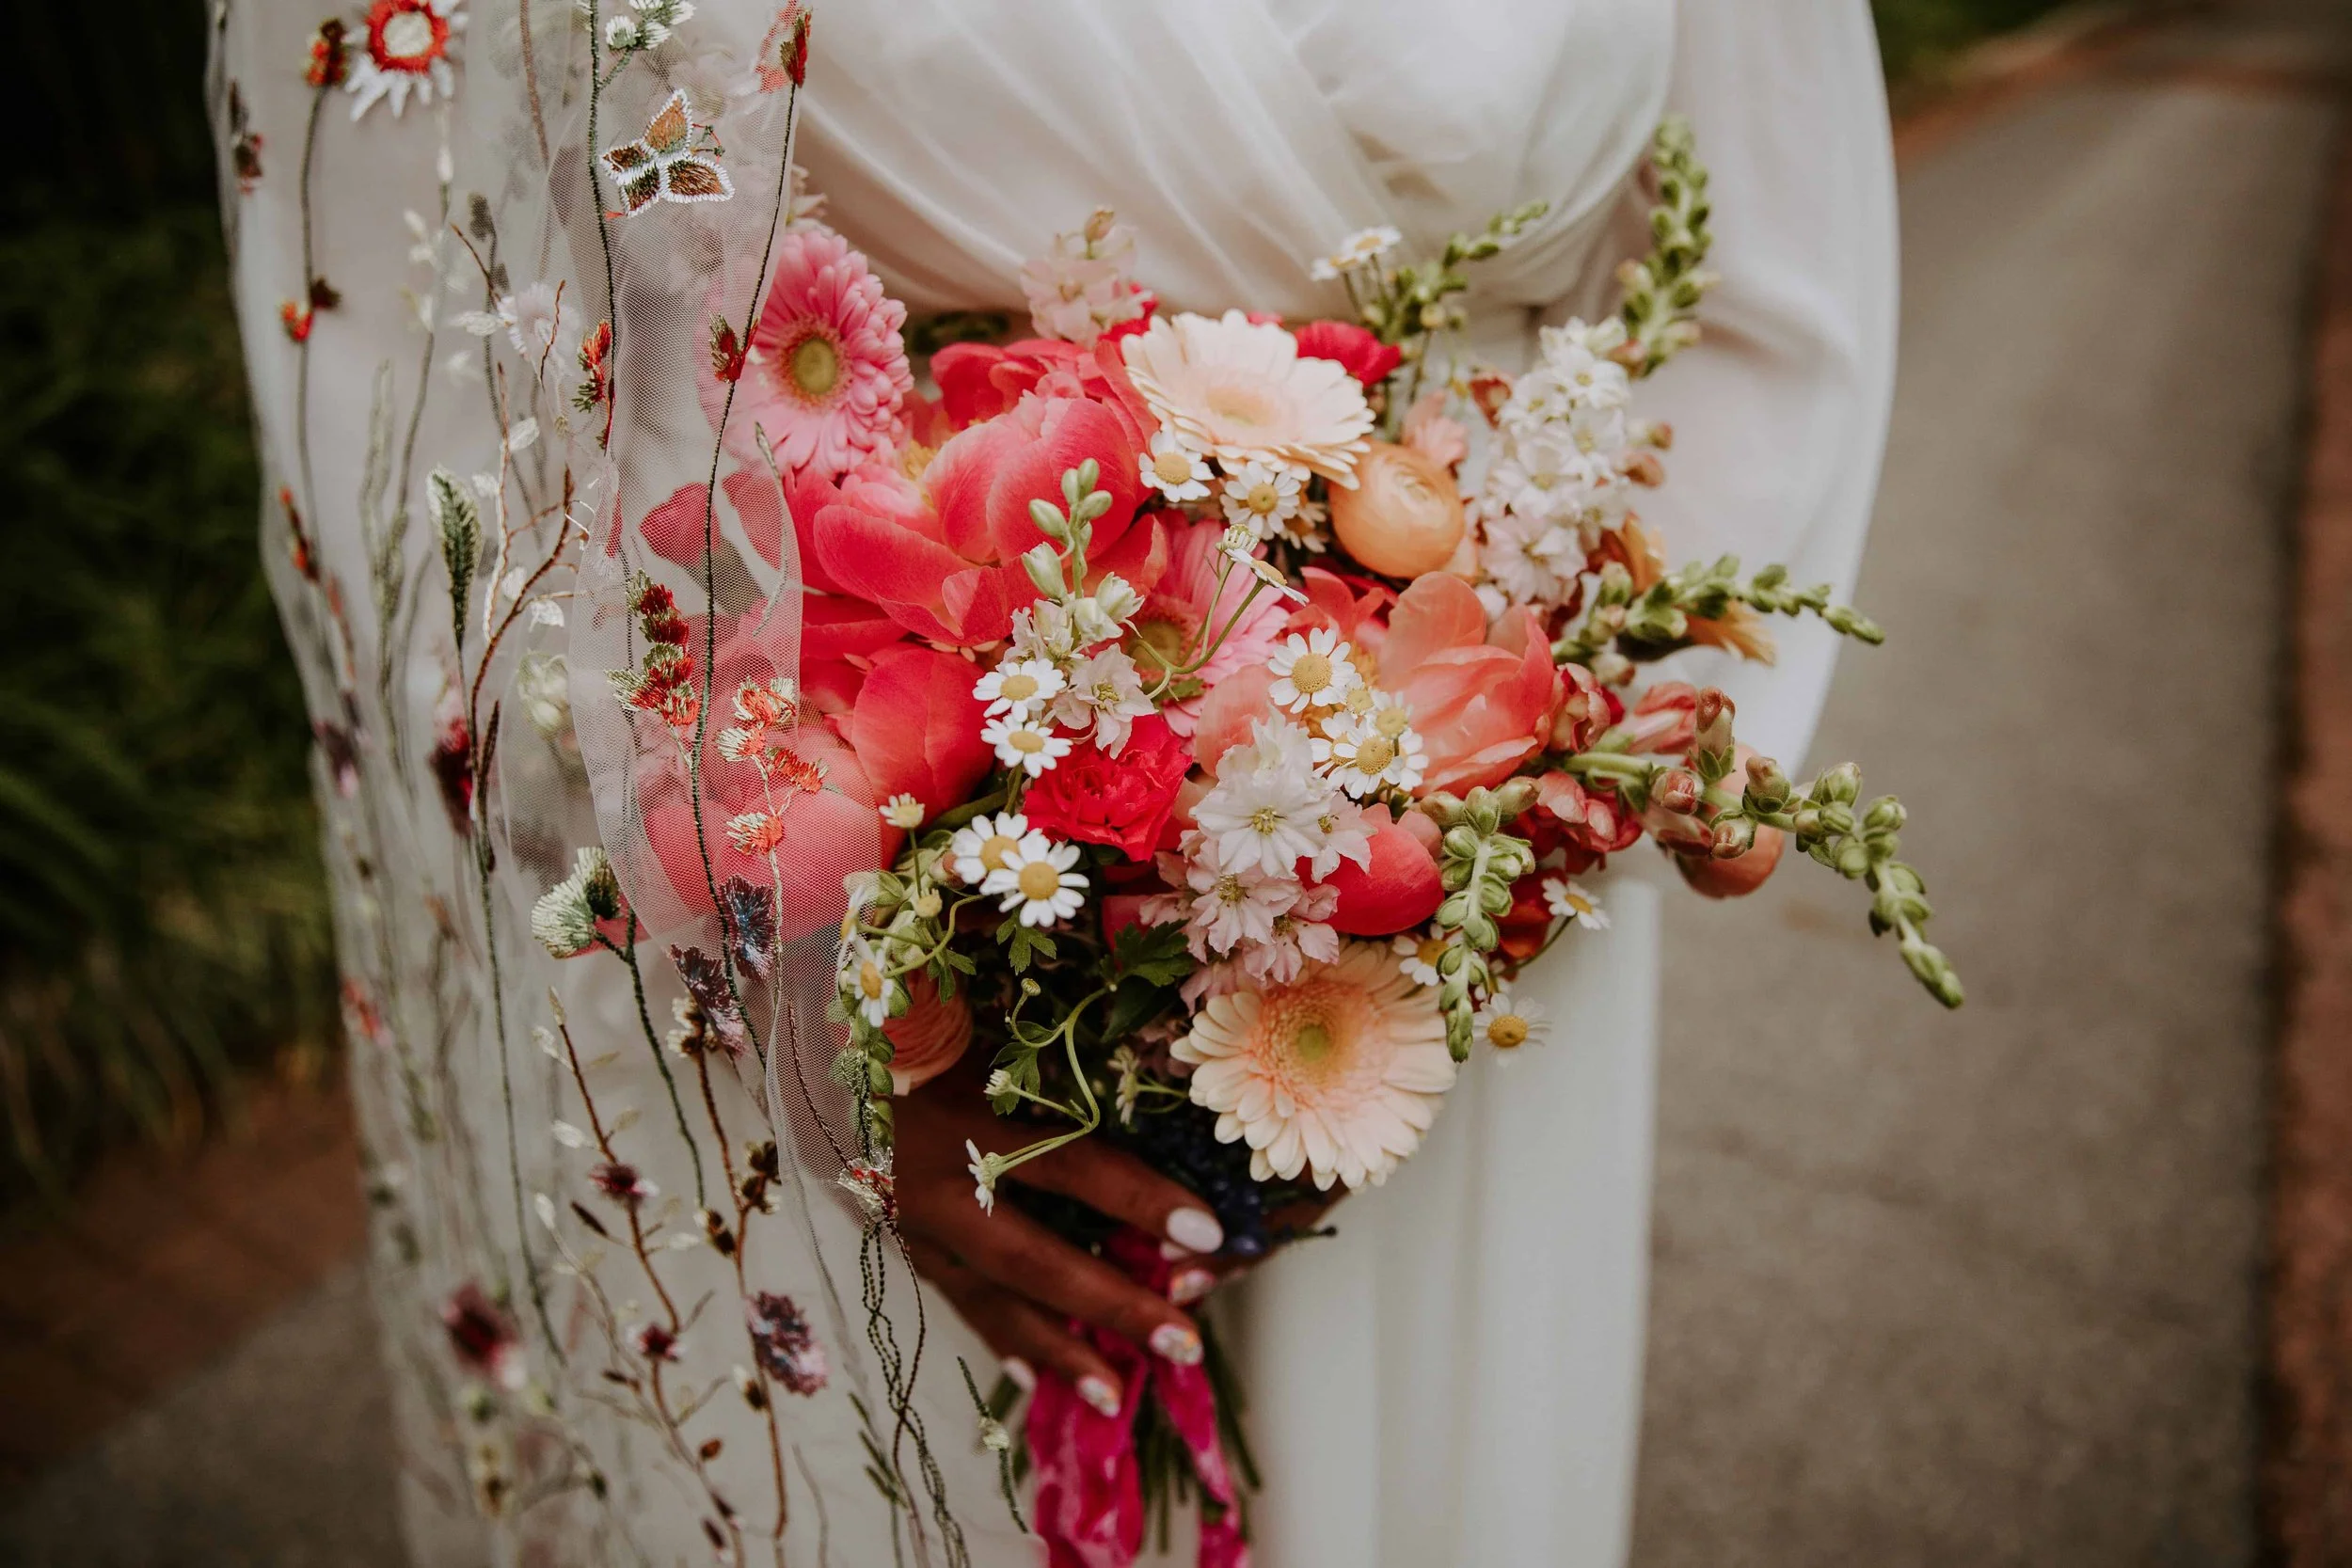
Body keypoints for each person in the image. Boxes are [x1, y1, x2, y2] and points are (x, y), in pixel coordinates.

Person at [208, 1, 1891, 1562]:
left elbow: (1772, 276)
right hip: (847, 906)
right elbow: (432, 375)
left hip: (1474, 852)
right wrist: (820, 1015)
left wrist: (1556, 776)